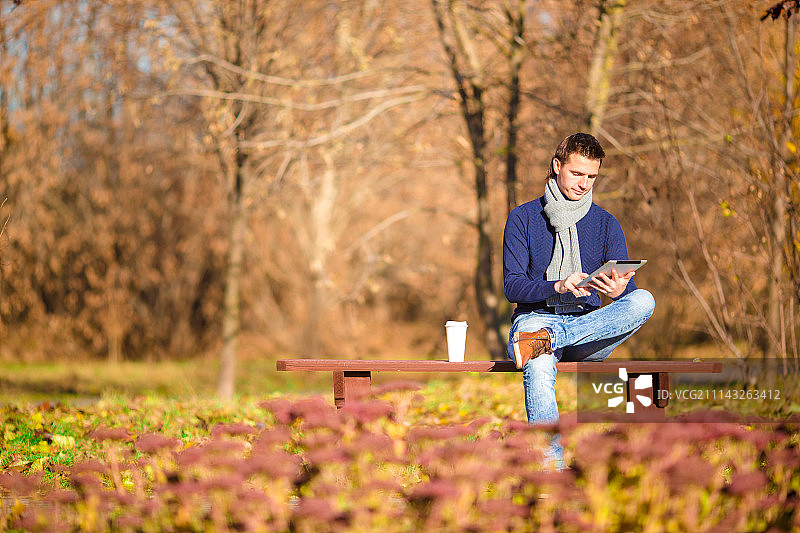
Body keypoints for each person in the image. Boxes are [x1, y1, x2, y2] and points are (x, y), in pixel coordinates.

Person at [502, 133, 655, 462]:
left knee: (644, 300)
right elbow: (512, 286)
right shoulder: (523, 218)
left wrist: (619, 292)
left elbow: (626, 293)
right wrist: (555, 286)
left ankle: (550, 338)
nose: (584, 183)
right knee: (539, 364)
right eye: (576, 174)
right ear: (557, 167)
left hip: (587, 328)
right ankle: (549, 475)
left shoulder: (606, 224)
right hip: (535, 318)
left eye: (591, 177)